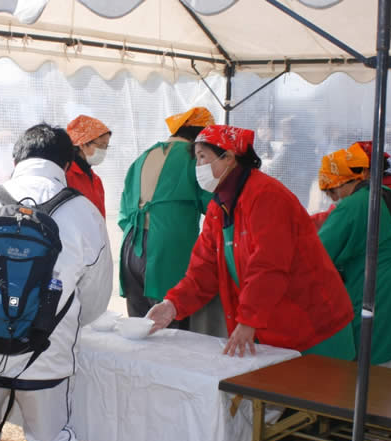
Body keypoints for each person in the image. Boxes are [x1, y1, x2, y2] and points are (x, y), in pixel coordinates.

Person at [0, 123, 112, 441]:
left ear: (16, 158)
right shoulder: (85, 212)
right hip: (47, 353)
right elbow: (97, 295)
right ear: (68, 163)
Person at [147, 124, 354, 360]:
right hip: (274, 332)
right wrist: (172, 305)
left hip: (315, 329)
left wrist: (248, 320)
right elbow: (203, 270)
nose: (198, 167)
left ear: (229, 158)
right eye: (196, 159)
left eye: (203, 157)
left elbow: (269, 266)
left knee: (318, 395)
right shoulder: (219, 207)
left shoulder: (266, 197)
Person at [118, 107, 214, 330]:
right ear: (198, 132)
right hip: (167, 246)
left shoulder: (143, 156)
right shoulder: (194, 156)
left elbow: (123, 210)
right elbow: (213, 205)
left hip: (130, 245)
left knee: (139, 325)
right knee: (169, 322)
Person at [316, 145, 391, 366]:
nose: (332, 199)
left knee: (373, 360)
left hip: (374, 290)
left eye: (333, 192)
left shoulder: (353, 205)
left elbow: (318, 253)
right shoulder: (386, 194)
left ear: (343, 182)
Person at [311, 141, 391, 229]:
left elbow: (339, 218)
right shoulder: (362, 190)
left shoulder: (382, 192)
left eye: (353, 167)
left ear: (366, 171)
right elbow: (334, 214)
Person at [65, 115, 111, 217]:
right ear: (82, 144)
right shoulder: (66, 175)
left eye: (106, 146)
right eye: (100, 145)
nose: (103, 151)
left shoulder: (96, 180)